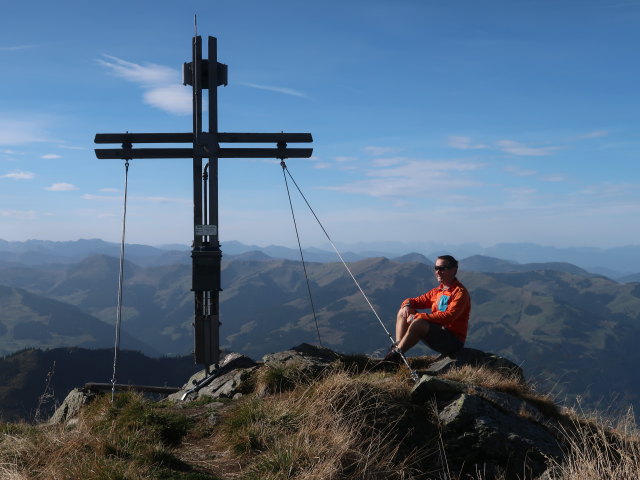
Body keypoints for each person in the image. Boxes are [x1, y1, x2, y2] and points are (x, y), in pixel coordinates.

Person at [383, 255, 471, 366]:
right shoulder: (437, 291)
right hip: (438, 333)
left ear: (454, 270)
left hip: (453, 342)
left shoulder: (460, 293)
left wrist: (419, 316)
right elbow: (413, 301)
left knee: (419, 323)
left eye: (442, 268)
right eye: (436, 268)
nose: (438, 272)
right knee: (403, 312)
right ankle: (397, 350)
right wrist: (407, 305)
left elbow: (448, 317)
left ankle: (395, 356)